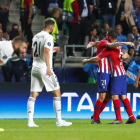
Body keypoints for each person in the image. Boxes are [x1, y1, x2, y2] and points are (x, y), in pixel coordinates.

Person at [83, 29, 136, 124]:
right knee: (112, 96)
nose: (107, 37)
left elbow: (98, 57)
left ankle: (117, 119)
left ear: (109, 36)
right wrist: (94, 43)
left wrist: (86, 60)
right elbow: (107, 44)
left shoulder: (111, 47)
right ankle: (130, 117)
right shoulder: (112, 43)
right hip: (119, 73)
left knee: (113, 96)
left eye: (108, 35)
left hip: (115, 74)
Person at [27, 19, 72, 127]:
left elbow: (35, 52)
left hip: (35, 68)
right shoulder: (49, 37)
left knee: (33, 94)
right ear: (51, 28)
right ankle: (59, 121)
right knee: (57, 92)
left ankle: (30, 122)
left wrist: (52, 50)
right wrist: (48, 67)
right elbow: (46, 51)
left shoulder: (36, 36)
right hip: (44, 68)